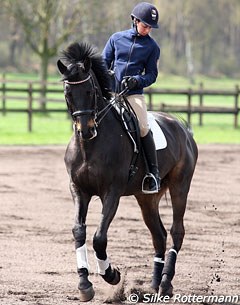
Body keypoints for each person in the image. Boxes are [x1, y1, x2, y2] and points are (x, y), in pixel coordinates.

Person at [102, 2, 161, 193]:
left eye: (151, 27)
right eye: (145, 25)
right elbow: (103, 63)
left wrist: (137, 80)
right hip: (110, 92)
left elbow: (152, 75)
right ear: (135, 21)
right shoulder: (116, 39)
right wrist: (109, 75)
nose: (148, 29)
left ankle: (153, 173)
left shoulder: (152, 47)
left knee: (143, 127)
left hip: (133, 95)